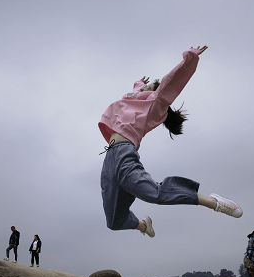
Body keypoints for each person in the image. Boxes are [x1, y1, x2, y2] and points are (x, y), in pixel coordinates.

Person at [98, 46, 243, 237]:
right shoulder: (133, 98)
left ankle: (213, 202)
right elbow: (135, 90)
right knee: (114, 221)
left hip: (124, 152)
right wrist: (140, 82)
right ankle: (143, 226)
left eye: (150, 88)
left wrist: (189, 58)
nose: (146, 88)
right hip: (110, 156)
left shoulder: (155, 104)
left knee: (154, 193)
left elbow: (171, 82)